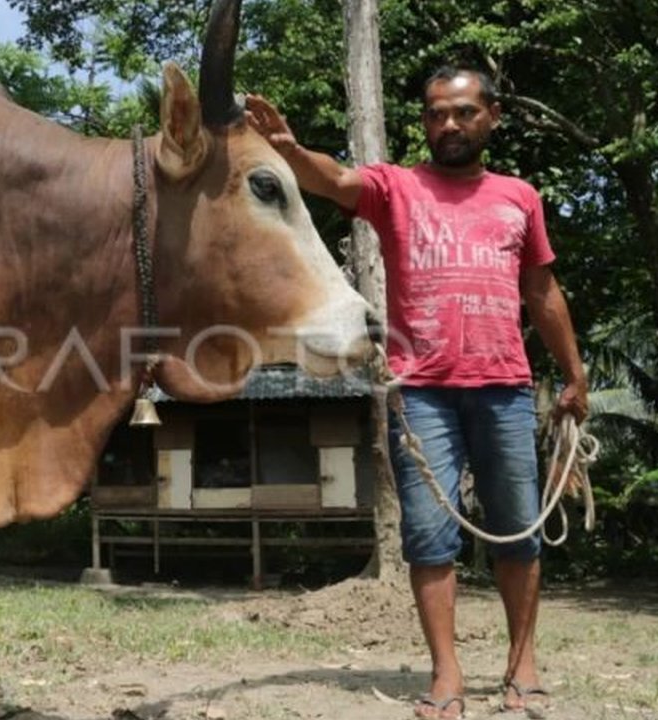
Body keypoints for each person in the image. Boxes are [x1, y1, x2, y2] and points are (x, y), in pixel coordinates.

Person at [245, 67, 589, 719]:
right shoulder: (395, 187)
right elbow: (335, 180)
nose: (448, 125)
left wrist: (574, 375)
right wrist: (290, 150)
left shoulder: (519, 197)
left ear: (492, 117)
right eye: (435, 114)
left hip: (505, 388)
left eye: (462, 112)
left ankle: (522, 666)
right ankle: (447, 675)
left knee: (518, 533)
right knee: (430, 538)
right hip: (421, 392)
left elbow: (542, 293)